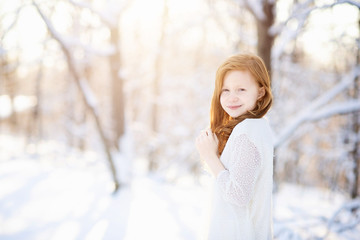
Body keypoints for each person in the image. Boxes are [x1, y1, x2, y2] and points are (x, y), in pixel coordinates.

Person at [196, 53, 274, 240]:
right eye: (226, 90)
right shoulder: (258, 126)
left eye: (241, 90)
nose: (232, 98)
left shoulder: (248, 130)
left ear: (260, 92)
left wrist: (211, 158)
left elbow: (238, 195)